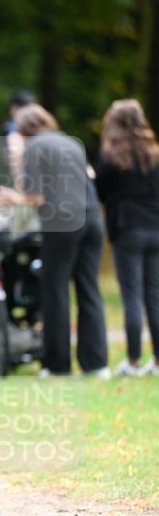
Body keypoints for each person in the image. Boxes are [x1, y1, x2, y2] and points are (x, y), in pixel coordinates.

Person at [0, 104, 109, 378]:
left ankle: (57, 365)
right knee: (89, 288)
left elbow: (35, 195)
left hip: (63, 223)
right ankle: (97, 364)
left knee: (55, 290)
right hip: (92, 219)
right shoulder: (71, 142)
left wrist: (11, 197)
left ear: (23, 129)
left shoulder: (35, 146)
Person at [95, 99, 159, 377]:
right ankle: (157, 362)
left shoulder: (111, 155)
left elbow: (100, 193)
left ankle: (132, 361)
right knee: (155, 297)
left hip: (127, 230)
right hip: (156, 229)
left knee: (132, 297)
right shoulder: (154, 153)